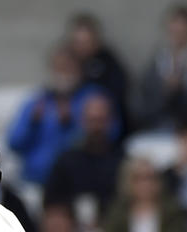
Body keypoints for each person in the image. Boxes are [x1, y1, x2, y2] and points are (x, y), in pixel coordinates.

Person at [9, 46, 119, 185]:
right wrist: (33, 124)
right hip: (35, 180)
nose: (63, 74)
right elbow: (13, 143)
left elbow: (112, 134)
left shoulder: (94, 98)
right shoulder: (37, 102)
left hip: (78, 179)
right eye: (58, 68)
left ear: (79, 69)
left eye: (68, 68)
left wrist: (71, 123)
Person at [135, 5, 187, 131]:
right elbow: (145, 97)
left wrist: (182, 88)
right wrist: (165, 89)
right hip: (159, 125)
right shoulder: (159, 59)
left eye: (183, 26)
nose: (179, 31)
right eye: (175, 26)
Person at [102, 157, 187, 232]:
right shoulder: (117, 212)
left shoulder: (173, 210)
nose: (146, 184)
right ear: (128, 181)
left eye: (150, 178)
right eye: (139, 178)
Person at [44, 92, 124, 217]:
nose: (97, 127)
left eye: (101, 120)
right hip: (72, 231)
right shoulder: (66, 161)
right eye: (92, 120)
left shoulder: (123, 162)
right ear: (82, 121)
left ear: (110, 122)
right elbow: (52, 204)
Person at [66, 13, 128, 116]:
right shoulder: (67, 60)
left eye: (86, 42)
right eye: (78, 42)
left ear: (96, 40)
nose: (82, 47)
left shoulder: (108, 63)